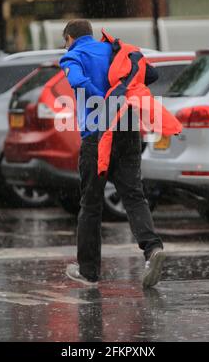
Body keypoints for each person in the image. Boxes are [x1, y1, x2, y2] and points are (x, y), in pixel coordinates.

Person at [60, 19, 165, 288]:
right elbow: (150, 74)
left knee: (91, 204)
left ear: (70, 38)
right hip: (128, 130)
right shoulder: (116, 50)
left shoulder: (73, 55)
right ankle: (152, 248)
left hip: (97, 137)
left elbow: (77, 81)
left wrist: (105, 101)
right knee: (133, 194)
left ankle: (89, 272)